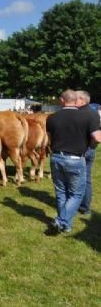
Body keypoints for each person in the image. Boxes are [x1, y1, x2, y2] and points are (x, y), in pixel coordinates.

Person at [46, 89, 101, 234]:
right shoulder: (86, 117)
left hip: (56, 157)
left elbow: (49, 139)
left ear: (62, 100)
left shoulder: (51, 117)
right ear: (75, 100)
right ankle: (61, 220)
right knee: (76, 194)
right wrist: (91, 146)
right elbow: (97, 138)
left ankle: (66, 226)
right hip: (76, 158)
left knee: (60, 192)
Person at [76, 90, 99, 216]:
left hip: (80, 150)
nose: (74, 100)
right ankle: (85, 207)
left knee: (74, 179)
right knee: (87, 179)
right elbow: (97, 135)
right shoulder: (94, 113)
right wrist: (93, 146)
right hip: (90, 149)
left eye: (76, 99)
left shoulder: (78, 113)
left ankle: (75, 204)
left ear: (82, 100)